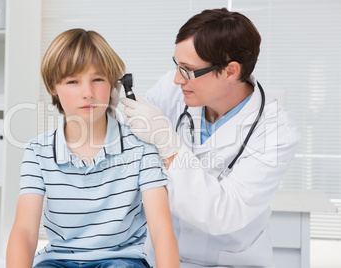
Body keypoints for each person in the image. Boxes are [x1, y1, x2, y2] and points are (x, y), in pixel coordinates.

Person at [120, 8, 300, 268]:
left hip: (230, 261)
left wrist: (168, 144)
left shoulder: (276, 130)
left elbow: (224, 213)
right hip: (159, 255)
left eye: (188, 70)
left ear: (230, 71)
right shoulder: (174, 90)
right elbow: (127, 131)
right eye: (177, 65)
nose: (176, 78)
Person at [6, 28, 179, 268]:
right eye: (73, 81)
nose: (88, 93)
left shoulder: (141, 145)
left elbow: (161, 228)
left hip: (122, 260)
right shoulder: (38, 151)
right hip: (58, 260)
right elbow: (24, 230)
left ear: (114, 85)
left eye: (97, 80)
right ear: (53, 87)